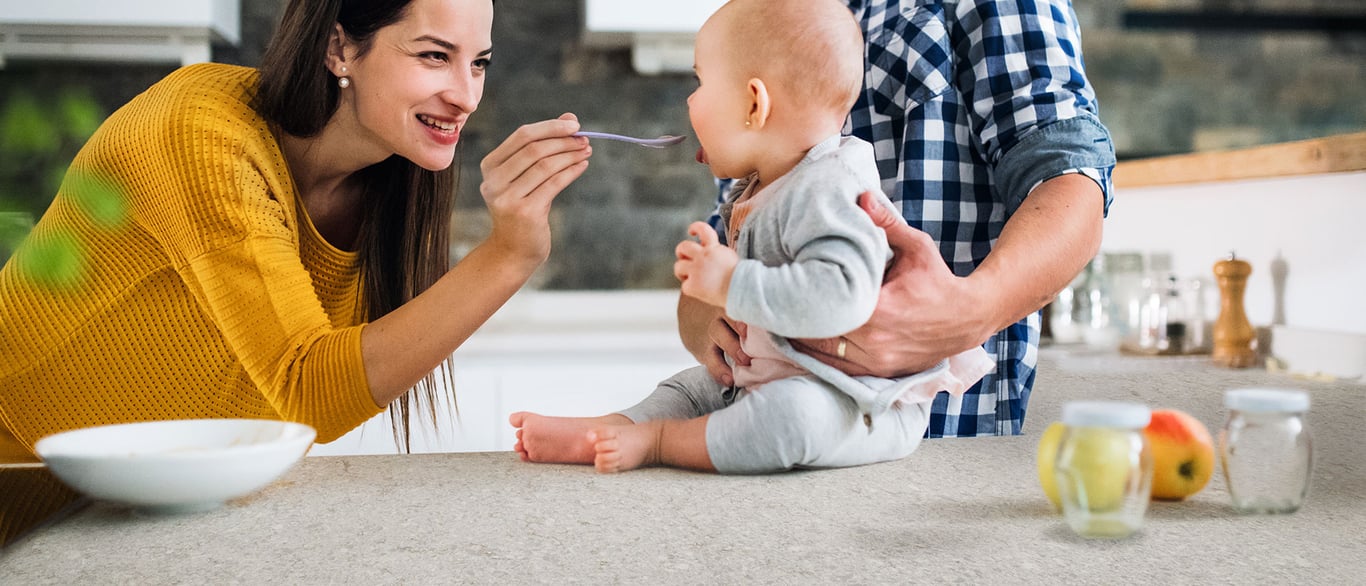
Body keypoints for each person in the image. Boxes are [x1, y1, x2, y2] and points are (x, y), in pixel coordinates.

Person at [0, 0, 587, 484]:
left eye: (479, 63)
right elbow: (306, 391)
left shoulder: (396, 178)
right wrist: (509, 254)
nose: (466, 96)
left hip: (158, 500)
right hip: (23, 486)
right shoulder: (198, 131)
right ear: (338, 48)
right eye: (435, 56)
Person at [510, 0, 993, 474]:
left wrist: (731, 282)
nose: (690, 100)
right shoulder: (769, 183)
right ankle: (611, 429)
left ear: (754, 105)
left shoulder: (828, 187)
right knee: (691, 389)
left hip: (859, 403)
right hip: (774, 374)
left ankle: (656, 440)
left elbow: (843, 299)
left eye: (700, 82)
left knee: (793, 416)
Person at [679, 0, 1117, 438]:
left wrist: (971, 312)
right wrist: (713, 306)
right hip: (770, 432)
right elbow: (725, 242)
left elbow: (1068, 177)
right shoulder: (761, 17)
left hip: (945, 437)